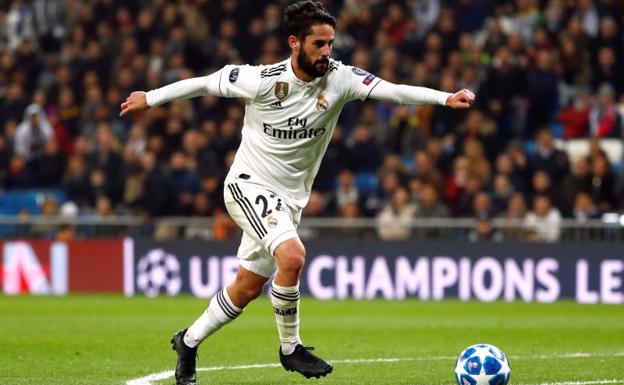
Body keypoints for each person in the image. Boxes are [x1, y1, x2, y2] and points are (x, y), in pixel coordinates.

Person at [120, 2, 474, 384]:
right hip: (247, 185)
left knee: (246, 288)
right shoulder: (261, 80)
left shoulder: (341, 78)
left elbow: (395, 92)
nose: (327, 52)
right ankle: (291, 349)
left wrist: (444, 97)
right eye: (318, 44)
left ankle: (188, 342)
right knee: (293, 256)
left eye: (330, 44)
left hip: (289, 200)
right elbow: (205, 82)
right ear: (294, 43)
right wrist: (151, 98)